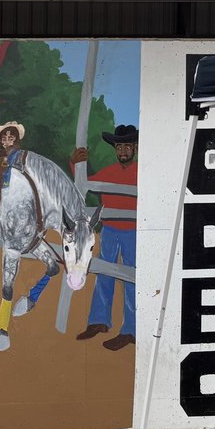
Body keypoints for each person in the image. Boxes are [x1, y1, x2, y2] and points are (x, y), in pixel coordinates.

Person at [72, 124, 139, 351]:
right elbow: (85, 185)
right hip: (110, 229)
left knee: (132, 278)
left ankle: (131, 329)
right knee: (103, 273)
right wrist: (77, 164)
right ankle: (99, 321)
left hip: (133, 230)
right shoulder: (108, 172)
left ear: (134, 148)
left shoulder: (142, 171)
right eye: (119, 147)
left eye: (127, 147)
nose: (122, 151)